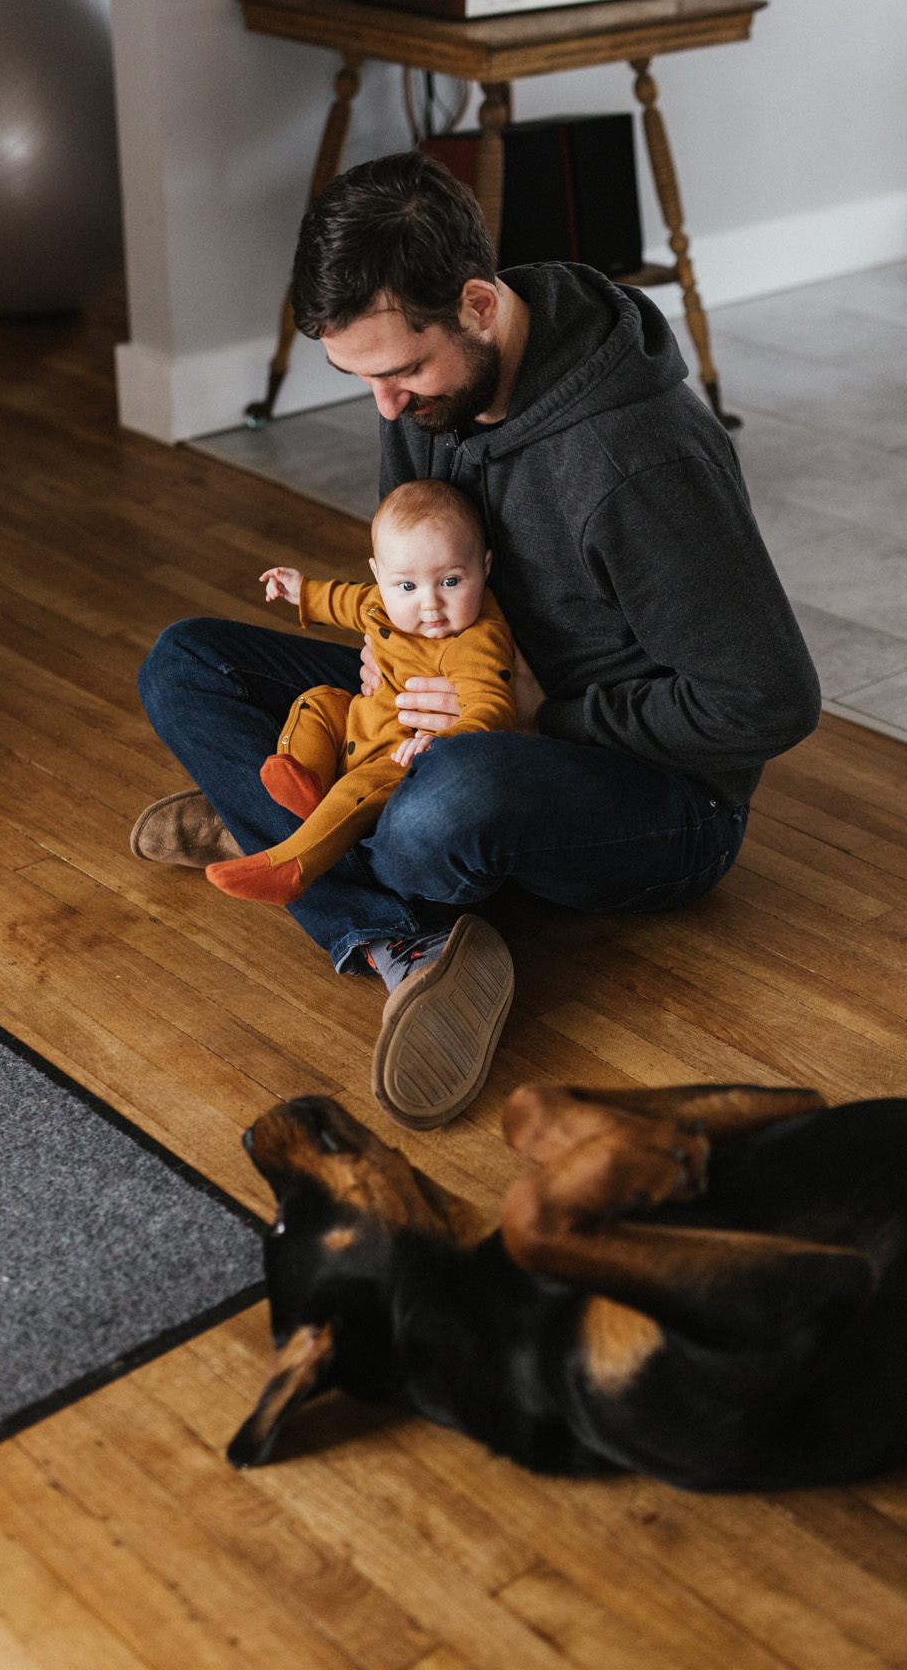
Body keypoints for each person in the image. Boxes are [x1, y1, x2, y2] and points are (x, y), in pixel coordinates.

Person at [132, 151, 821, 1132]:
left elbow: (768, 701)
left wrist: (545, 711)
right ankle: (381, 921)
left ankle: (309, 833)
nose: (387, 406)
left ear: (479, 306)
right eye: (359, 377)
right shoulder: (431, 392)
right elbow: (417, 541)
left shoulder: (639, 459)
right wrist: (396, 646)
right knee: (187, 662)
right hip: (455, 692)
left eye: (404, 370)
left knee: (441, 813)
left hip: (662, 792)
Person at [205, 478, 515, 905]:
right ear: (380, 576)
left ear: (485, 566)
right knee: (317, 701)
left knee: (359, 790)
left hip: (397, 757)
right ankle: (304, 778)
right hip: (360, 720)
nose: (429, 604)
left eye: (450, 582)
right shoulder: (382, 601)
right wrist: (302, 590)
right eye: (408, 586)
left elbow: (492, 705)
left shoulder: (476, 639)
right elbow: (346, 601)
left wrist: (442, 742)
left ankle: (291, 865)